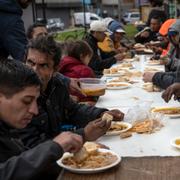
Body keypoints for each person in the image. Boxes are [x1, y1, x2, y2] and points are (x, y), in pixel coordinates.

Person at [19, 35, 124, 148]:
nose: (34, 70)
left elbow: (73, 110)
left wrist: (100, 113)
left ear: (55, 70)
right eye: (31, 63)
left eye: (43, 65)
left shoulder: (57, 85)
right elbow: (31, 147)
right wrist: (83, 135)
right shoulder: (17, 95)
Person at [0, 58, 84, 179]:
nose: (35, 110)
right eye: (27, 101)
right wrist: (53, 147)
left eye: (36, 101)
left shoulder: (9, 128)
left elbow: (23, 162)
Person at [143, 20, 180, 90]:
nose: (164, 39)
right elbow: (177, 74)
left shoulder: (175, 44)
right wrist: (156, 75)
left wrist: (155, 77)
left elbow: (177, 82)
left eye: (165, 36)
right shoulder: (174, 44)